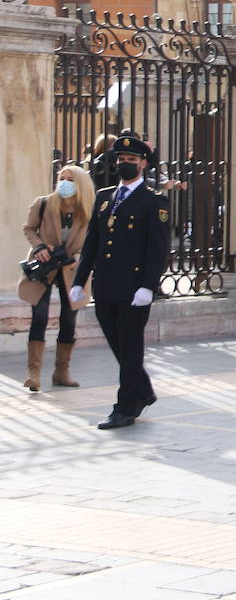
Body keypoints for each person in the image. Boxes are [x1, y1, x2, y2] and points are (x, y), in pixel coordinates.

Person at [69, 135, 171, 429]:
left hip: (133, 287)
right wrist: (80, 279)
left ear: (143, 164)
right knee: (118, 345)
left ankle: (125, 406)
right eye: (121, 160)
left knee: (130, 346)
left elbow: (158, 248)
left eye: (131, 161)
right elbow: (93, 242)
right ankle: (144, 389)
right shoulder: (104, 197)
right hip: (105, 284)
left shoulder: (154, 201)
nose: (125, 165)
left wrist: (147, 286)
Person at [19, 165, 95, 390]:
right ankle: (33, 373)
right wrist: (40, 245)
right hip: (44, 265)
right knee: (39, 316)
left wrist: (80, 256)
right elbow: (29, 229)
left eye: (70, 179)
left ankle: (62, 371)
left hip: (72, 269)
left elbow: (93, 239)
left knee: (69, 318)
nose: (65, 182)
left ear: (80, 183)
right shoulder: (42, 203)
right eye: (62, 178)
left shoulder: (88, 210)